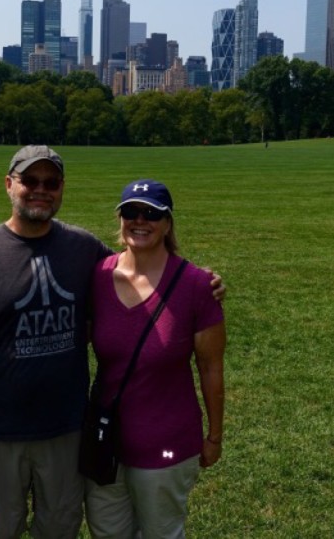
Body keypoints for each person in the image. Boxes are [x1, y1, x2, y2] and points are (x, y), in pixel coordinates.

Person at [0, 147, 223, 539]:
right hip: (1, 429)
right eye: (30, 181)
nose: (41, 190)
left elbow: (142, 263)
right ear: (9, 184)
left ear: (62, 189)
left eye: (51, 183)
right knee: (0, 529)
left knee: (60, 528)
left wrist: (199, 279)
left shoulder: (82, 248)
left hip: (68, 429)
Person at [85, 179, 226, 539]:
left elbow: (210, 367)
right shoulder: (98, 277)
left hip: (167, 445)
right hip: (106, 442)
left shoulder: (196, 285)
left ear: (167, 223)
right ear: (119, 219)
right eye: (131, 212)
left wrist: (214, 435)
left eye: (151, 213)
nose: (140, 221)